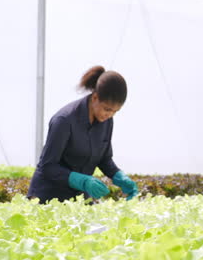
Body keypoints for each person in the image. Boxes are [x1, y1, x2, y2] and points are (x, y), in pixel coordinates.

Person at [28, 65, 138, 204]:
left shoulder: (106, 121)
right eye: (107, 109)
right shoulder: (64, 120)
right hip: (49, 197)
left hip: (78, 198)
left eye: (115, 111)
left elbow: (104, 159)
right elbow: (48, 166)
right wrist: (81, 180)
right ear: (95, 97)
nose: (109, 115)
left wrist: (119, 177)